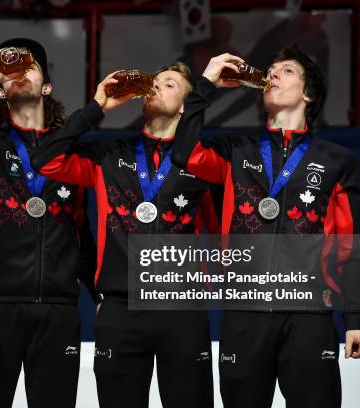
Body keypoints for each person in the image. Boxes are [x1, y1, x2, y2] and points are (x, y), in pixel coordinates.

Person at [171, 45, 360, 407]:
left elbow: (350, 244)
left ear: (308, 94)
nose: (273, 75)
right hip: (245, 313)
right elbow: (184, 152)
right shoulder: (235, 150)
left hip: (309, 314)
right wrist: (207, 82)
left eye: (287, 71)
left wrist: (355, 318)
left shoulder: (337, 160)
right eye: (271, 70)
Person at [31, 63, 219, 408]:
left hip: (181, 311)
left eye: (170, 84)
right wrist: (97, 106)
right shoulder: (109, 157)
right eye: (156, 81)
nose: (157, 86)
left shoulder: (202, 165)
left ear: (184, 106)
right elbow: (44, 160)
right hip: (121, 311)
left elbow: (226, 235)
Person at [0, 38, 96, 408]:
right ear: (1, 89)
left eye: (30, 66)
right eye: (10, 71)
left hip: (59, 311)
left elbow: (82, 230)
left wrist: (99, 295)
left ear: (47, 85)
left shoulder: (72, 154)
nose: (19, 74)